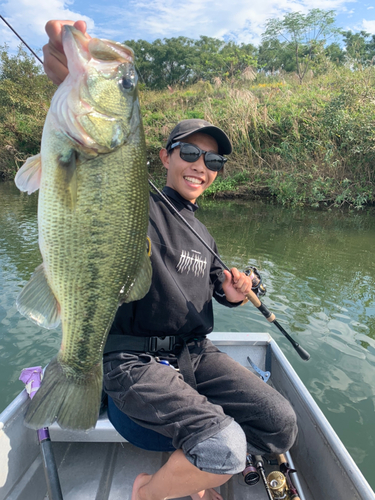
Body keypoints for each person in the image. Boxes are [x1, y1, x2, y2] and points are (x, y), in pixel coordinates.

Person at [43, 20, 298, 500]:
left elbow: (211, 289)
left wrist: (234, 292)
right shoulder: (140, 202)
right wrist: (68, 83)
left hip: (193, 357)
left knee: (280, 423)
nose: (201, 166)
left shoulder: (202, 232)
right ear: (164, 156)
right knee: (224, 444)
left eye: (214, 161)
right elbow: (96, 176)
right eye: (189, 152)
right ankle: (147, 491)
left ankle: (193, 470)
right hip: (132, 361)